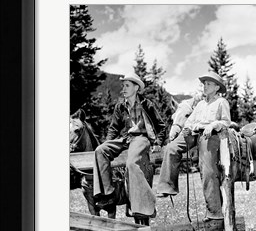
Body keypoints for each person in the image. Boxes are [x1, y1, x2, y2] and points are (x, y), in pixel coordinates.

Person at [157, 71, 231, 220]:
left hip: (211, 135)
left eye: (208, 83)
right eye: (204, 83)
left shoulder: (221, 102)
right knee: (171, 148)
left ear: (217, 87)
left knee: (208, 170)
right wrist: (186, 127)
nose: (205, 86)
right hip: (194, 133)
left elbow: (226, 122)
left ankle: (215, 212)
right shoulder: (200, 104)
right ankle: (167, 186)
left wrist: (214, 124)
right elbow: (190, 120)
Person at [93, 73, 166, 218]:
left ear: (136, 87)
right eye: (123, 86)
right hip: (126, 139)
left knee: (132, 163)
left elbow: (161, 126)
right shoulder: (120, 106)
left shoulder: (147, 104)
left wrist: (158, 143)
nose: (123, 89)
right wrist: (108, 142)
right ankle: (107, 194)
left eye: (127, 85)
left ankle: (146, 205)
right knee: (100, 150)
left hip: (142, 138)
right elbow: (113, 128)